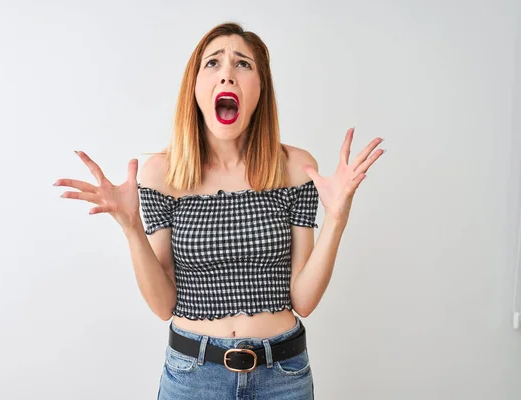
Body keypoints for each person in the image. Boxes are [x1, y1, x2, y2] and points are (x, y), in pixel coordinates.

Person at [54, 22, 384, 400]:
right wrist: (131, 227)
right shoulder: (164, 174)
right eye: (212, 63)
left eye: (243, 64)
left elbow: (304, 300)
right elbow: (163, 305)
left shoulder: (294, 167)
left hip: (283, 377)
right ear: (195, 88)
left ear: (260, 89)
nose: (227, 73)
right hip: (193, 377)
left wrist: (337, 219)